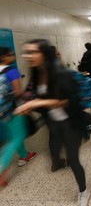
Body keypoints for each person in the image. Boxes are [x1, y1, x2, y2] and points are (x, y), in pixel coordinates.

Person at [14, 39, 90, 205]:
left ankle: (83, 191)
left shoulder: (61, 73)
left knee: (73, 159)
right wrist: (30, 106)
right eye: (26, 52)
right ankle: (57, 162)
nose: (28, 56)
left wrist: (36, 103)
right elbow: (41, 98)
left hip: (72, 123)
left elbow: (67, 101)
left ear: (44, 54)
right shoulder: (37, 74)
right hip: (54, 122)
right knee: (54, 146)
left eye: (33, 52)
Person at [0, 47, 36, 187]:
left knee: (13, 134)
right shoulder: (11, 71)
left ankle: (24, 155)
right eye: (10, 54)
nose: (13, 56)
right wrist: (25, 106)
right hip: (11, 109)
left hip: (1, 112)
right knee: (18, 136)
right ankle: (1, 167)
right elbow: (18, 92)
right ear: (5, 57)